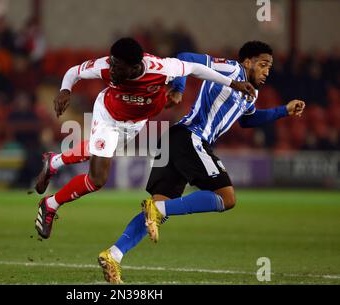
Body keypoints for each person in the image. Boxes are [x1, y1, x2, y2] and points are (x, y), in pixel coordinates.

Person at [97, 41, 306, 284]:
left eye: (269, 67)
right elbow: (185, 56)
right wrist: (178, 88)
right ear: (247, 62)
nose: (267, 71)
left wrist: (284, 110)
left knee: (159, 207)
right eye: (263, 64)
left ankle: (113, 254)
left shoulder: (250, 93)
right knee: (226, 198)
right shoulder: (230, 70)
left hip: (177, 140)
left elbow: (247, 120)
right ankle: (156, 211)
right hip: (191, 137)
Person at [33, 37, 256, 240]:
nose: (111, 71)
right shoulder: (106, 66)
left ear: (135, 66)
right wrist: (65, 91)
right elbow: (74, 72)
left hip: (136, 121)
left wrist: (233, 84)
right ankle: (51, 204)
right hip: (108, 115)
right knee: (97, 179)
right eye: (112, 63)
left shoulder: (161, 68)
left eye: (118, 67)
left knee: (96, 150)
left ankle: (54, 162)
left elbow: (195, 68)